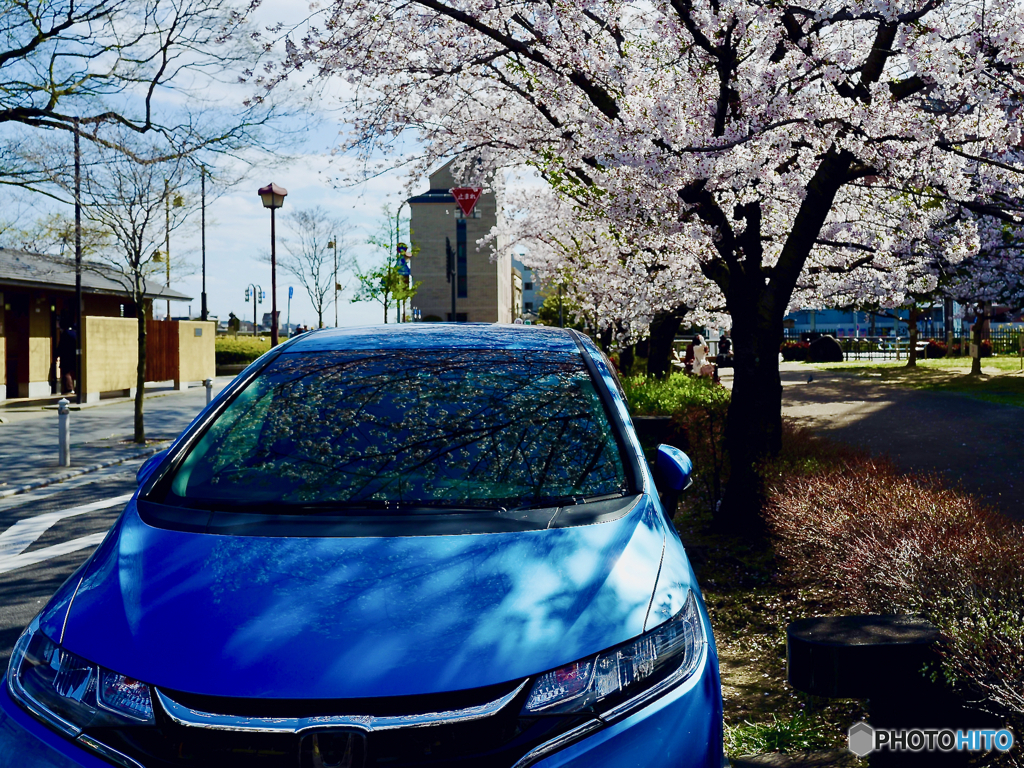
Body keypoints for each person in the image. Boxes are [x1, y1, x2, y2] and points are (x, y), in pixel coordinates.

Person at [55, 317, 78, 395]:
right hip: (75, 356)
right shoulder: (76, 333)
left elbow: (61, 346)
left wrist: (57, 354)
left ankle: (69, 389)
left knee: (66, 372)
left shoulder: (65, 333)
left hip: (66, 356)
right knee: (75, 372)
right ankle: (77, 388)